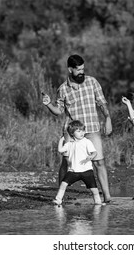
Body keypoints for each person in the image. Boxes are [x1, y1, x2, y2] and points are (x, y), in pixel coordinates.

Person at [42, 54, 112, 203]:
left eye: (83, 68)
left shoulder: (92, 82)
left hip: (92, 128)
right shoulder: (63, 89)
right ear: (70, 69)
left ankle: (107, 196)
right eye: (78, 69)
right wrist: (48, 104)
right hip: (71, 131)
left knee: (99, 162)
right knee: (67, 162)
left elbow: (102, 103)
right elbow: (59, 111)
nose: (81, 72)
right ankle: (60, 196)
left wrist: (107, 118)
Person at [53, 120, 103, 205]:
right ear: (72, 133)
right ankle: (58, 199)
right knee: (63, 184)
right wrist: (61, 140)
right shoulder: (69, 144)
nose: (82, 133)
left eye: (83, 130)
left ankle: (98, 202)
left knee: (94, 189)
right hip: (73, 171)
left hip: (87, 170)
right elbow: (60, 150)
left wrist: (90, 157)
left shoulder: (87, 141)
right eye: (79, 131)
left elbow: (94, 152)